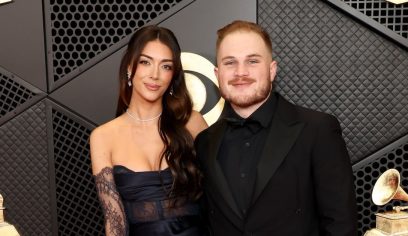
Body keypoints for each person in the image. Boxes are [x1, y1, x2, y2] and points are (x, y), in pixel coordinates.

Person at [194, 20, 357, 236]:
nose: (240, 72)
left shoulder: (317, 130)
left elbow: (340, 226)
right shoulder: (204, 142)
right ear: (217, 74)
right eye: (230, 62)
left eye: (252, 61)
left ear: (272, 70)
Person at [90, 25, 208, 236]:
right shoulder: (103, 137)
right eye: (145, 62)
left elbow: (221, 200)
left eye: (166, 66)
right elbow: (114, 222)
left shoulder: (192, 123)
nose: (155, 75)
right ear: (129, 67)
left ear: (174, 75)